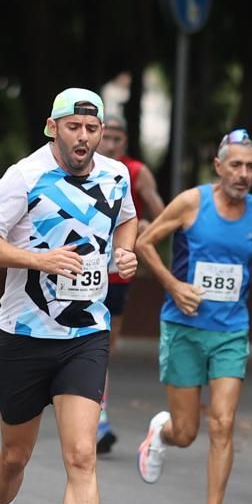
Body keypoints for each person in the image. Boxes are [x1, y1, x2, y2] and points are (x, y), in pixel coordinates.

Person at [0, 87, 138, 504]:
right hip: (22, 335)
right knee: (14, 458)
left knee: (82, 455)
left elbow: (127, 218)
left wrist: (126, 250)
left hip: (86, 334)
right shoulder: (23, 177)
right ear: (52, 127)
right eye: (74, 128)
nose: (84, 138)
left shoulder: (116, 175)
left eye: (93, 130)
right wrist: (38, 259)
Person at [133, 129, 252, 504]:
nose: (243, 174)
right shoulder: (191, 202)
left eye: (251, 166)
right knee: (187, 432)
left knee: (223, 423)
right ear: (218, 166)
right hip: (184, 328)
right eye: (235, 165)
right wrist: (173, 285)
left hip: (231, 330)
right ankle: (161, 431)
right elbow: (145, 242)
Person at [95, 113, 165, 451]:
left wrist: (147, 229)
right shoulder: (82, 168)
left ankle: (96, 411)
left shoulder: (134, 171)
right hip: (77, 269)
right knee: (86, 343)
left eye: (117, 139)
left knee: (104, 346)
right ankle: (96, 416)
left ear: (125, 142)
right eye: (106, 137)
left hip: (117, 271)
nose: (110, 144)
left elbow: (164, 214)